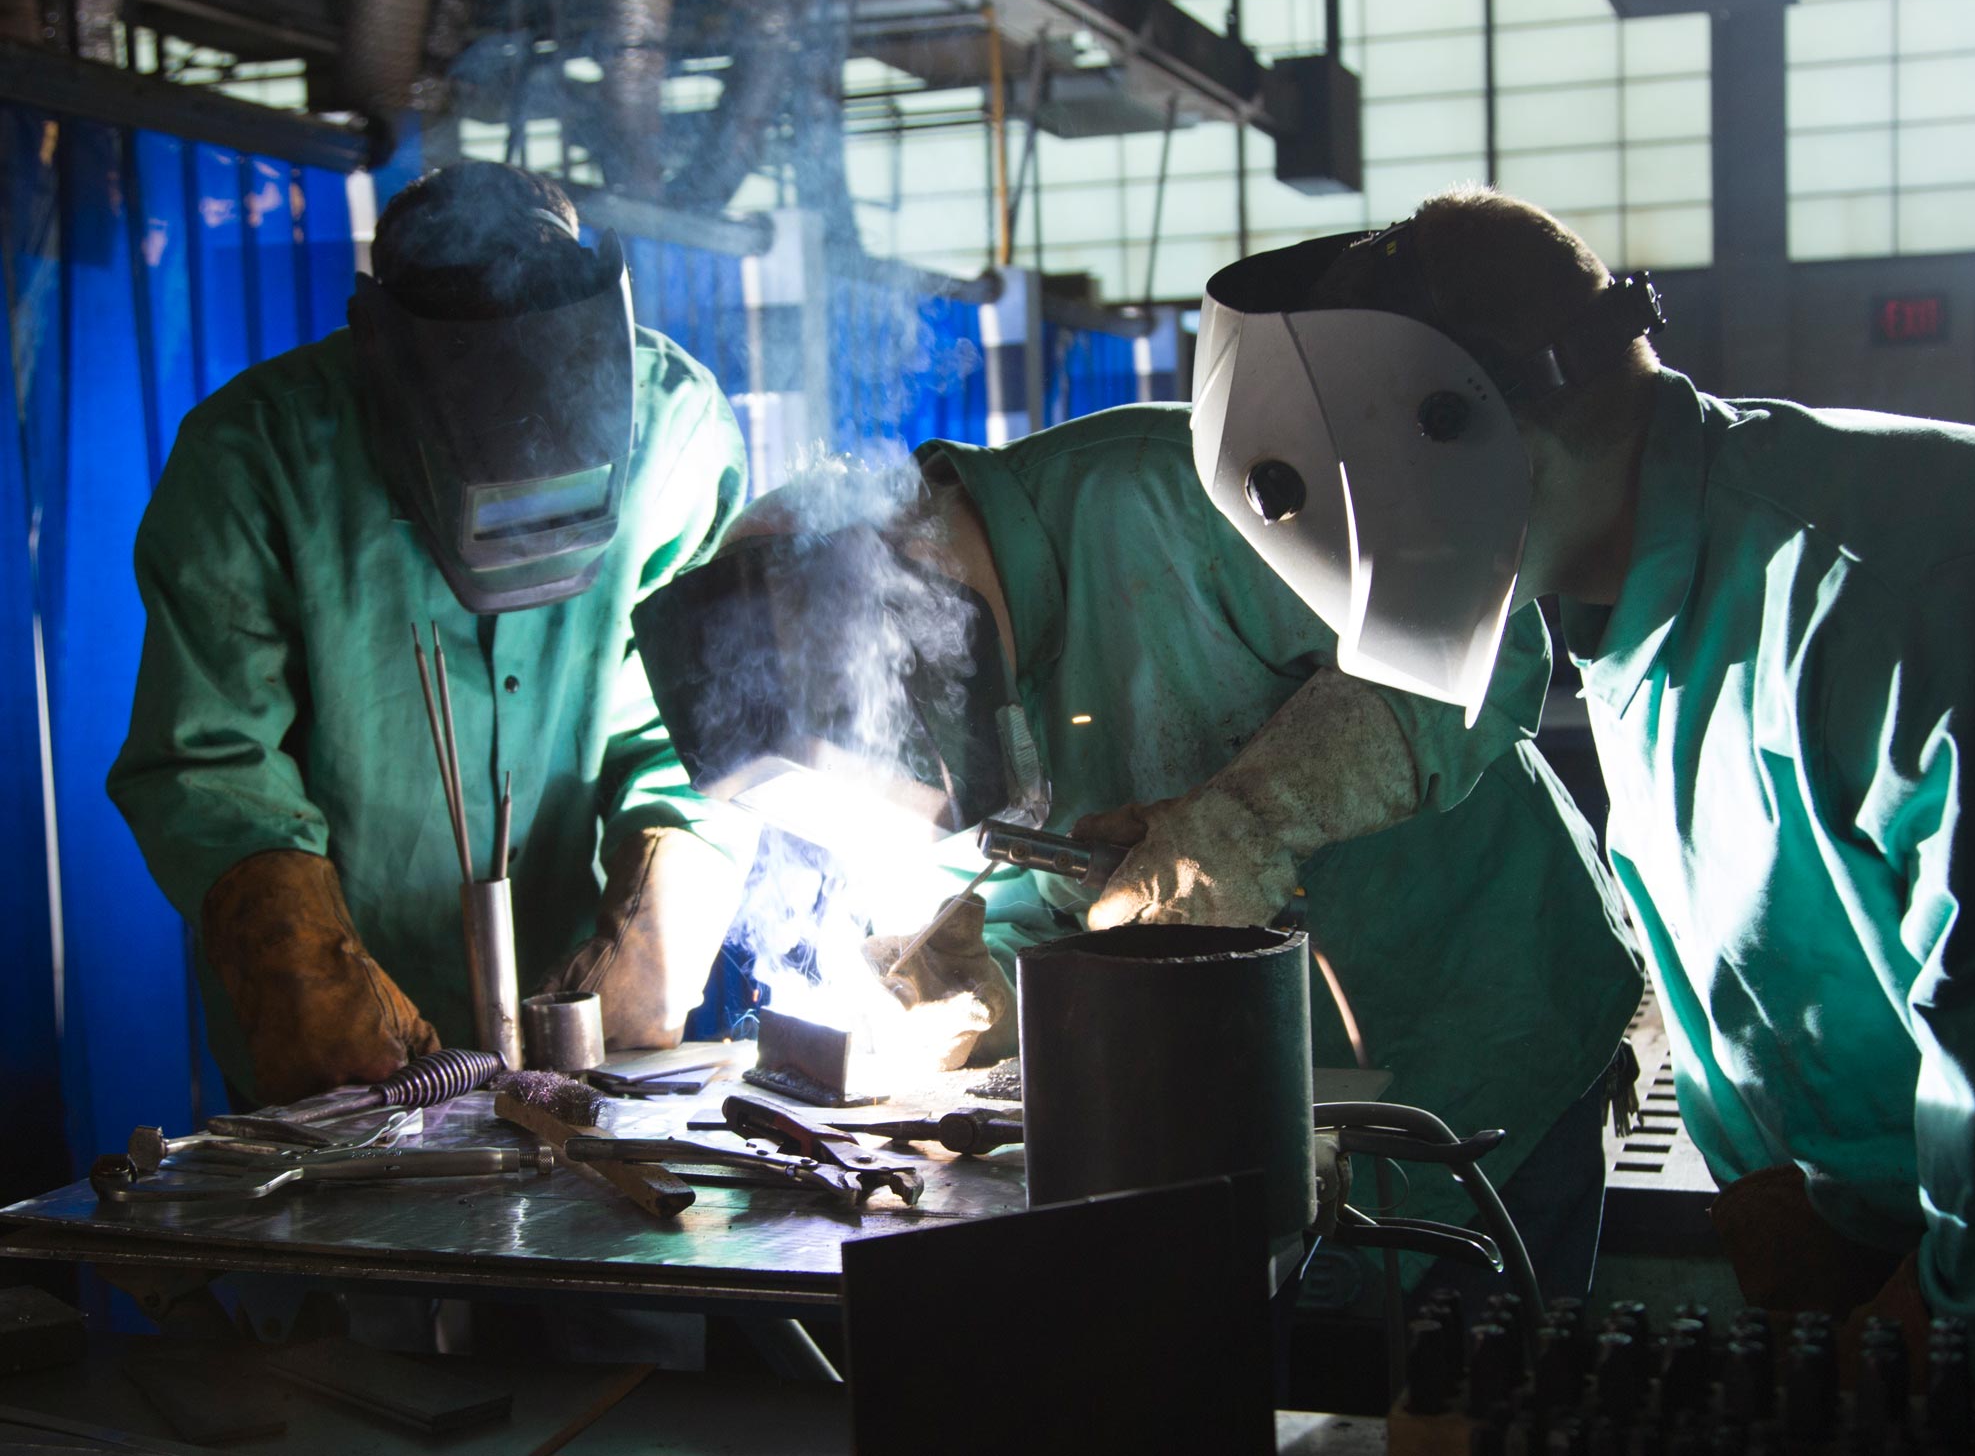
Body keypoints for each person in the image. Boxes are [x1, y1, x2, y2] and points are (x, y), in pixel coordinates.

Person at [1185, 185, 1975, 1368]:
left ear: (1445, 424)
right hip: (1883, 1241)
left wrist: (1941, 1328)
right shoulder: (1625, 601)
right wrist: (1785, 1209)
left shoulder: (1883, 597)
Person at [637, 405, 1644, 1305]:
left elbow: (1478, 643)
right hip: (1252, 1144)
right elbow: (1046, 906)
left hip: (1484, 1058)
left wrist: (1248, 815)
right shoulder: (927, 717)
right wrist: (991, 998)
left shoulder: (1177, 490)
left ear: (895, 607)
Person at [108, 162, 754, 1106]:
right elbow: (211, 760)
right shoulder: (257, 453)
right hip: (351, 1065)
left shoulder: (675, 427)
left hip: (585, 1030)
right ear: (385, 348)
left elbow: (696, 721)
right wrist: (300, 958)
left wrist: (662, 912)